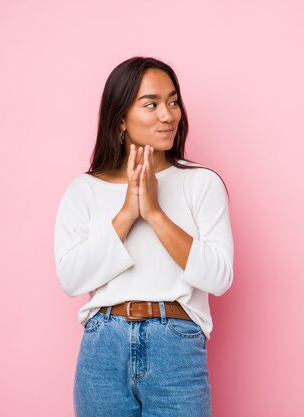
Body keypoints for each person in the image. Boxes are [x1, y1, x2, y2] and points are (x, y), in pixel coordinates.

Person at [53, 56, 234, 417]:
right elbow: (71, 279)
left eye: (172, 101)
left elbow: (219, 277)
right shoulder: (84, 190)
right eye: (151, 104)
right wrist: (127, 214)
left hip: (176, 346)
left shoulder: (201, 183)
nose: (168, 115)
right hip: (102, 347)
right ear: (120, 119)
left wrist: (153, 212)